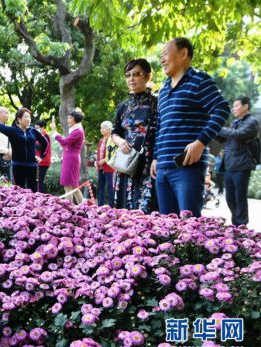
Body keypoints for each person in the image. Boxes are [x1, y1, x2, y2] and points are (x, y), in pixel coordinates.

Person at [151, 37, 230, 218]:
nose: (161, 59)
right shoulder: (163, 90)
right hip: (162, 170)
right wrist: (156, 157)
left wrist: (200, 142)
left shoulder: (199, 80)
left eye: (165, 54)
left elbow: (222, 109)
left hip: (187, 169)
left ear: (183, 53)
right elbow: (160, 126)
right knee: (167, 229)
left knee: (189, 227)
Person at [111, 59, 158, 213]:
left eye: (136, 74)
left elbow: (160, 132)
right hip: (126, 164)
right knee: (123, 212)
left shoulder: (156, 103)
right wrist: (120, 141)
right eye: (128, 75)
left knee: (146, 212)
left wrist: (157, 158)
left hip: (148, 165)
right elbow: (114, 132)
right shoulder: (123, 106)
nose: (131, 78)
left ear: (147, 76)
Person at [0, 108, 47, 192]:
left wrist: (41, 156)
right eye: (25, 117)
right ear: (19, 119)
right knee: (18, 191)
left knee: (33, 191)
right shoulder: (12, 131)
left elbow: (45, 143)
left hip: (32, 166)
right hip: (18, 166)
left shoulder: (33, 131)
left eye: (29, 117)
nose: (28, 119)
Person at [217, 96, 259, 226]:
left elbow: (238, 134)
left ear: (245, 106)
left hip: (242, 165)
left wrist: (221, 129)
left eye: (236, 106)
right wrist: (214, 130)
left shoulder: (252, 122)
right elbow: (225, 137)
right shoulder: (235, 122)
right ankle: (236, 224)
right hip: (230, 164)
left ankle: (241, 226)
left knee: (239, 197)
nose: (233, 109)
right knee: (230, 198)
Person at [50, 109, 85, 204]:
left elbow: (64, 142)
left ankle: (67, 209)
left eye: (70, 118)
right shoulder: (77, 130)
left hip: (71, 159)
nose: (68, 119)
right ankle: (84, 207)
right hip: (71, 158)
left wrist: (54, 131)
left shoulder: (77, 131)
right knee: (73, 186)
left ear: (75, 119)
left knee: (68, 185)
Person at [96, 121, 116, 206]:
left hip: (109, 167)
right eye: (101, 127)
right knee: (101, 188)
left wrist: (104, 160)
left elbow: (114, 153)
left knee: (110, 187)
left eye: (104, 127)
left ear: (109, 129)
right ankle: (100, 206)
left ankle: (111, 206)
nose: (101, 129)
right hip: (101, 167)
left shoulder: (112, 140)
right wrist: (97, 163)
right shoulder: (101, 140)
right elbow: (98, 153)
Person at [35, 119, 51, 193]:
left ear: (43, 127)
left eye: (37, 128)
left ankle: (41, 198)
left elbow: (41, 146)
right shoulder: (39, 136)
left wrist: (31, 142)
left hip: (43, 162)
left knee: (39, 182)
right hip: (39, 162)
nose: (36, 129)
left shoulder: (45, 136)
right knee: (37, 181)